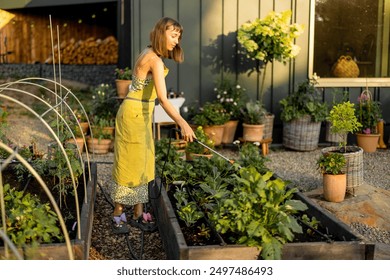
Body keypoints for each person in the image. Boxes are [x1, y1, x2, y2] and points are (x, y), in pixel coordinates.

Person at [110, 17, 195, 234]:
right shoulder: (154, 60)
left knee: (144, 162)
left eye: (179, 36)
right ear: (161, 33)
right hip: (134, 115)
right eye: (173, 35)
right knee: (130, 163)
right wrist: (183, 123)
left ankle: (138, 213)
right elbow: (164, 100)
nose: (177, 41)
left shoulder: (150, 52)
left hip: (141, 113)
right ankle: (118, 214)